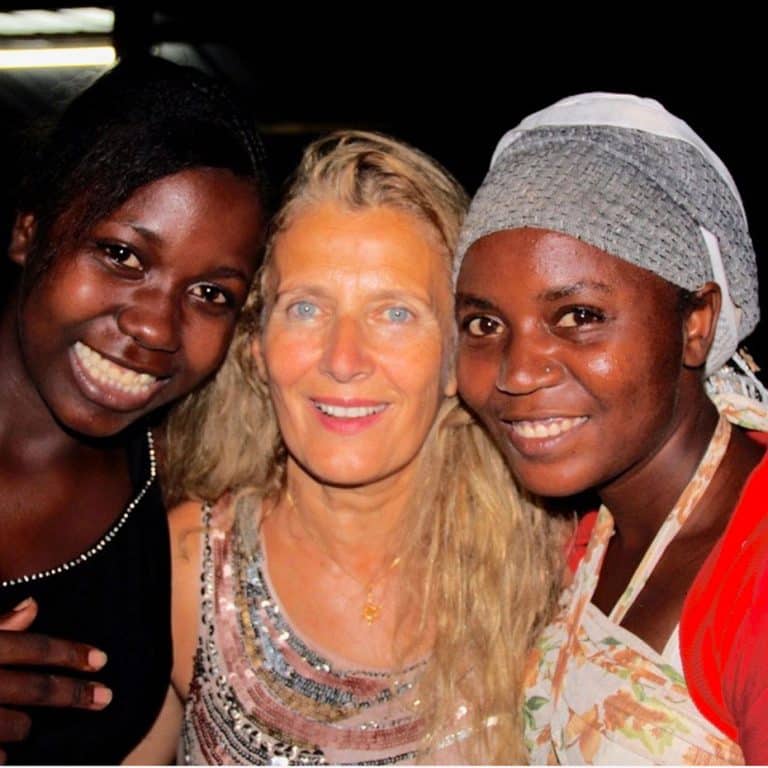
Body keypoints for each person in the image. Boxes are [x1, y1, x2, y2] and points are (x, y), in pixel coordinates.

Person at [132, 130, 562, 765]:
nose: (343, 360)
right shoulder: (178, 568)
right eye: (306, 309)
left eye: (394, 313)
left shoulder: (555, 570)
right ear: (257, 345)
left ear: (454, 361)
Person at [455, 92, 768, 764]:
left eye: (578, 316)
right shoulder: (585, 533)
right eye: (484, 324)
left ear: (696, 324)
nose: (516, 372)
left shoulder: (755, 572)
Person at [0, 56, 268, 764]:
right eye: (121, 254)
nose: (155, 326)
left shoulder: (189, 503)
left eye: (212, 294)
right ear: (28, 227)